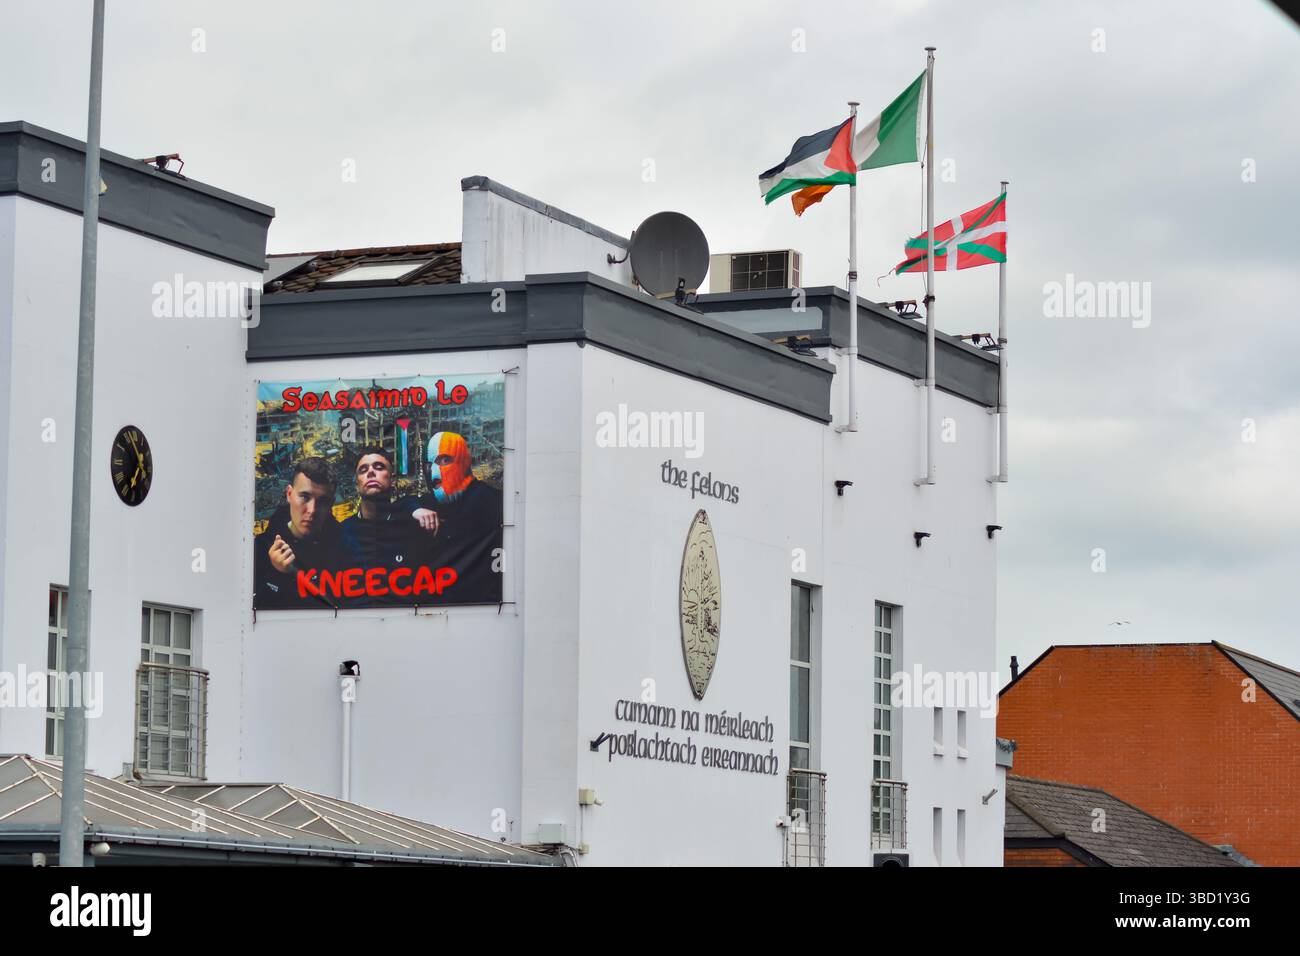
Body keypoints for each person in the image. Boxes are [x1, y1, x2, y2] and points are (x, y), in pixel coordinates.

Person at [402, 431, 503, 604]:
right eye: (428, 465)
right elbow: (400, 505)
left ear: (463, 461)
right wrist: (415, 510)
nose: (434, 472)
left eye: (444, 460)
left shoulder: (490, 501)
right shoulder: (431, 502)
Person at [337, 447, 436, 606]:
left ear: (393, 480)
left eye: (379, 467)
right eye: (363, 470)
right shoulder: (342, 533)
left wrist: (414, 508)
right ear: (357, 485)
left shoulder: (413, 527)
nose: (370, 472)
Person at [254, 458, 347, 609]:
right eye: (305, 497)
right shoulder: (261, 548)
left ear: (331, 503)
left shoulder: (345, 547)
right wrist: (276, 573)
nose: (312, 510)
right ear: (289, 494)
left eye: (322, 501)